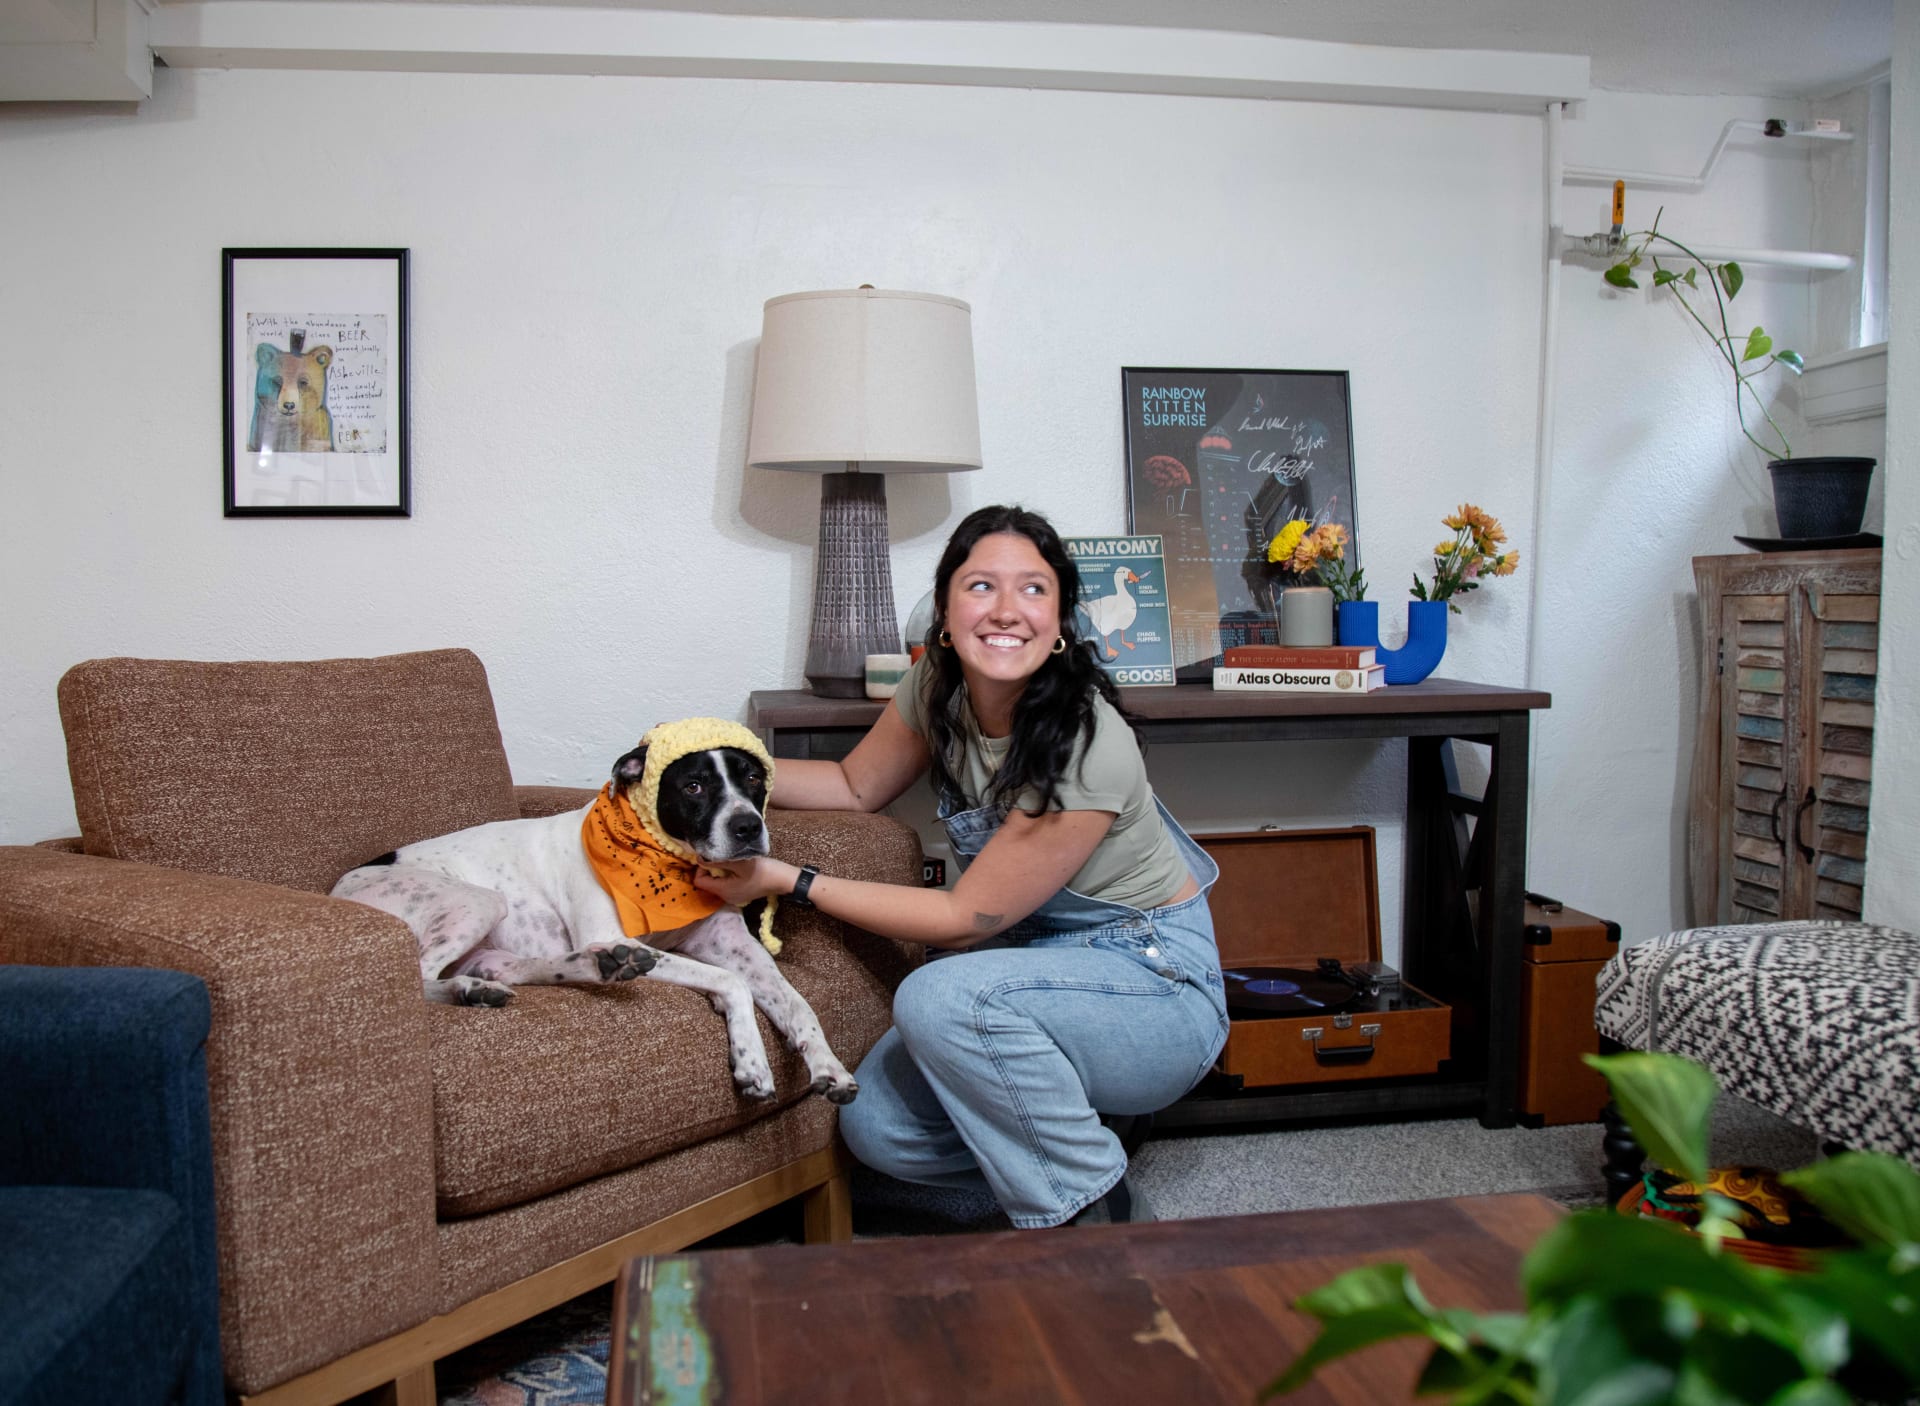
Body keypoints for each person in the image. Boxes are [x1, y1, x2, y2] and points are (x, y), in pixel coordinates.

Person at [695, 504, 1227, 1228]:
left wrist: (787, 878)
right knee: (876, 1126)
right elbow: (854, 785)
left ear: (1062, 619)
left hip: (1152, 983)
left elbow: (959, 917)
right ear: (945, 611)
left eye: (1033, 590)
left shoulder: (1084, 739)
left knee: (941, 998)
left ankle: (1102, 1215)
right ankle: (1078, 1131)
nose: (1007, 610)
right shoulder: (937, 685)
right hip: (1028, 966)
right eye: (981, 586)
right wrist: (714, 760)